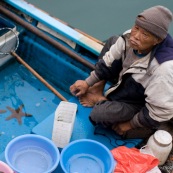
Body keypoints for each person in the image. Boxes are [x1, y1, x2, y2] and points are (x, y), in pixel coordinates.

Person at [70, 5, 173, 139]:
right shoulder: (129, 36)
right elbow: (108, 61)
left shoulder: (163, 68)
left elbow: (160, 111)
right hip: (128, 79)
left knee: (99, 115)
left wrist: (130, 124)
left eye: (145, 35)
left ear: (157, 40)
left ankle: (146, 130)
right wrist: (87, 83)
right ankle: (97, 90)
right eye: (136, 28)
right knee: (113, 41)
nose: (135, 36)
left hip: (140, 101)